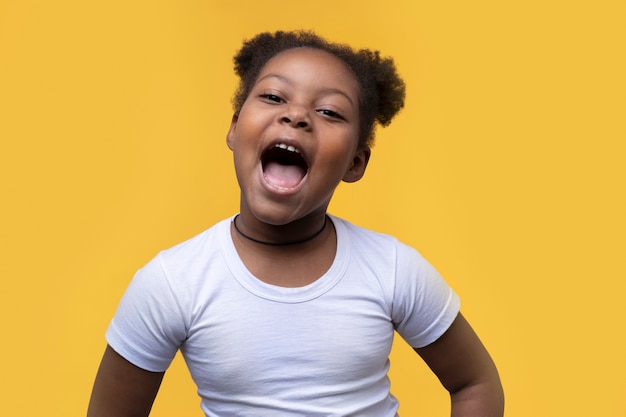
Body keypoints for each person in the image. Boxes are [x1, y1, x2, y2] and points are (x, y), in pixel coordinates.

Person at [87, 30, 504, 417]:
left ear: (355, 162)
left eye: (329, 111)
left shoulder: (393, 268)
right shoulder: (171, 282)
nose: (297, 115)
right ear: (234, 128)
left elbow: (474, 382)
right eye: (272, 96)